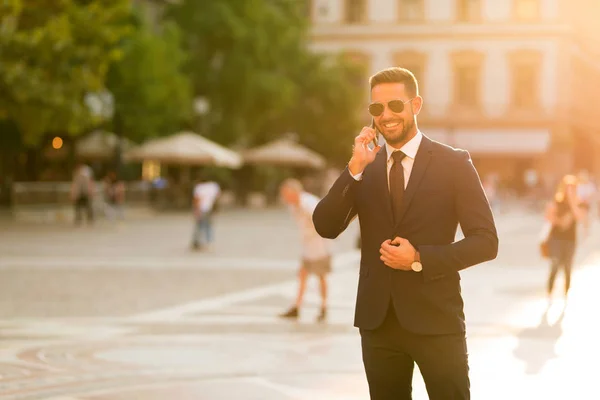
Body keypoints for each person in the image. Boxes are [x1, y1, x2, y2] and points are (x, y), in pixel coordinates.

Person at [312, 67, 498, 399]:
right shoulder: (364, 167)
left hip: (436, 320)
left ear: (416, 105)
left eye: (395, 105)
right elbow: (325, 226)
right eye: (376, 109)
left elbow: (486, 242)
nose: (386, 115)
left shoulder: (454, 163)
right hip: (378, 323)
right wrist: (353, 168)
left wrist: (419, 259)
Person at [279, 179, 331, 323]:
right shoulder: (294, 206)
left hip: (319, 245)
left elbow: (323, 220)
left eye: (286, 194)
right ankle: (297, 306)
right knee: (303, 274)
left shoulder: (308, 203)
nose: (285, 198)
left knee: (321, 276)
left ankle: (323, 306)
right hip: (308, 245)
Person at [545, 174, 583, 300]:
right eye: (568, 187)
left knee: (568, 266)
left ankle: (566, 292)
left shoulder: (578, 202)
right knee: (555, 265)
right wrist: (560, 221)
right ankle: (550, 291)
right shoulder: (557, 201)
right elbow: (549, 216)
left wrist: (572, 202)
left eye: (572, 188)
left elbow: (580, 217)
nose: (570, 190)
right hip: (556, 238)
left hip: (570, 240)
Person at [191, 177, 221, 250]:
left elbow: (197, 200)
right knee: (208, 226)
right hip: (209, 209)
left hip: (201, 209)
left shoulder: (199, 187)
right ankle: (209, 242)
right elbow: (218, 196)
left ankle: (198, 242)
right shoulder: (213, 186)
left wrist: (196, 211)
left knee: (200, 226)